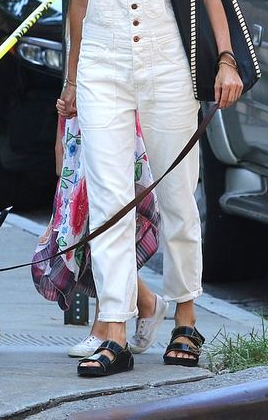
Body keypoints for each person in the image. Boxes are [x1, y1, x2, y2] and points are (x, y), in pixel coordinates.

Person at [57, 0, 243, 378]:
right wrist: (69, 79)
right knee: (108, 199)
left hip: (167, 66)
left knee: (178, 200)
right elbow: (80, 5)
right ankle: (113, 328)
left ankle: (186, 316)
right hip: (103, 71)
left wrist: (227, 62)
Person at [31, 110, 167, 359]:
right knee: (86, 224)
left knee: (104, 216)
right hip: (84, 106)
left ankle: (106, 327)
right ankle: (145, 302)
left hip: (118, 105)